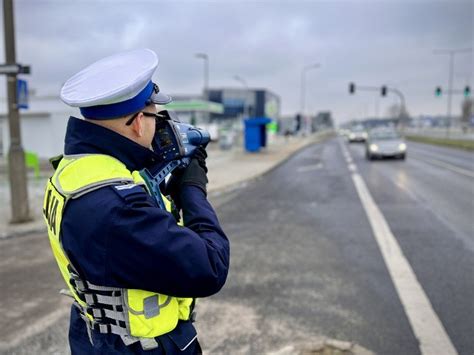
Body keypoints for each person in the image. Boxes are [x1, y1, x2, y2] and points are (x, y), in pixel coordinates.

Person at [43, 48, 230, 354]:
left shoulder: (74, 170)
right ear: (138, 123)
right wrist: (193, 190)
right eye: (156, 116)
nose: (159, 126)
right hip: (138, 345)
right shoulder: (118, 208)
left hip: (96, 334)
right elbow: (210, 266)